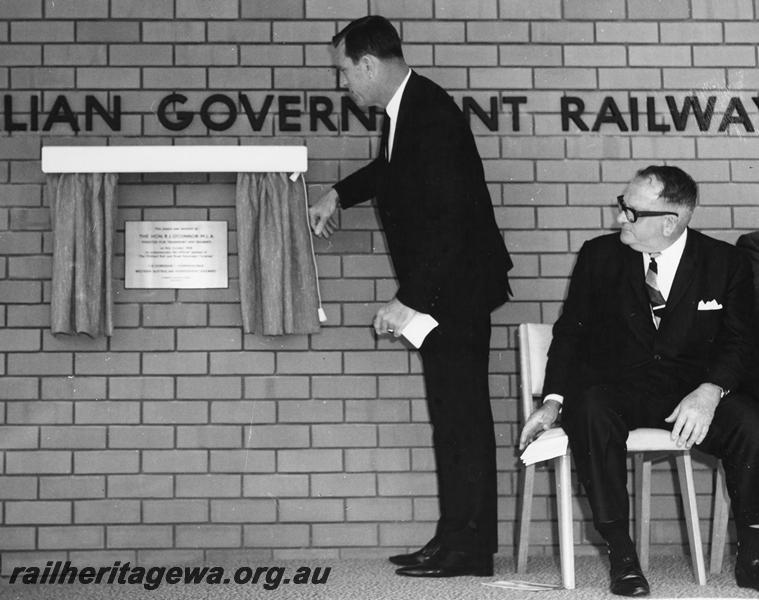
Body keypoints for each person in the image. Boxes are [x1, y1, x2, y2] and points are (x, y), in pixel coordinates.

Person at [309, 15, 512, 578]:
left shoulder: (428, 113)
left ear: (369, 64)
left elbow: (450, 220)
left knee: (463, 420)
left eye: (345, 71)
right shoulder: (411, 108)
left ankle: (470, 550)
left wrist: (410, 300)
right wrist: (337, 193)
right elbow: (390, 172)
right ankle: (453, 539)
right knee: (452, 419)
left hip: (455, 292)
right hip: (451, 289)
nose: (343, 83)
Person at [519, 165, 759, 596]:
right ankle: (622, 555)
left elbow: (741, 342)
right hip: (621, 391)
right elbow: (569, 334)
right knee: (589, 409)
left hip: (691, 393)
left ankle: (755, 552)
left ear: (671, 221)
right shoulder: (599, 256)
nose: (620, 219)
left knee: (749, 420)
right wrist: (552, 399)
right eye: (622, 207)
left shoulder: (726, 262)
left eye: (631, 212)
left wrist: (710, 391)